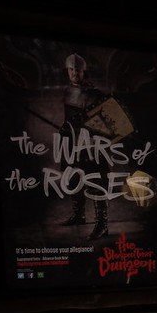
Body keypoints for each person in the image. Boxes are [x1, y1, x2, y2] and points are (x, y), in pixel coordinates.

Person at [59, 53, 110, 240]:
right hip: (72, 142)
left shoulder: (94, 94)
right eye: (71, 70)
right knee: (73, 178)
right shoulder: (67, 91)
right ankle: (79, 215)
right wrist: (66, 128)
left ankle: (102, 224)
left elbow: (103, 123)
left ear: (83, 71)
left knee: (96, 182)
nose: (74, 73)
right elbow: (69, 118)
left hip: (91, 145)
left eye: (78, 70)